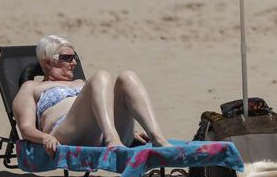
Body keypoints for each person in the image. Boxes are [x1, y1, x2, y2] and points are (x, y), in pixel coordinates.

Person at [12, 35, 171, 157]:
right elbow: (26, 128)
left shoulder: (82, 82)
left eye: (75, 58)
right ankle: (112, 139)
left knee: (127, 77)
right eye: (66, 58)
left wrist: (132, 130)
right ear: (47, 62)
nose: (73, 63)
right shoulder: (31, 87)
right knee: (101, 76)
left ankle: (157, 138)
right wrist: (44, 138)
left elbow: (104, 105)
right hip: (66, 133)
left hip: (100, 132)